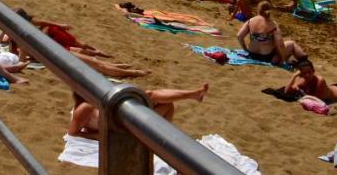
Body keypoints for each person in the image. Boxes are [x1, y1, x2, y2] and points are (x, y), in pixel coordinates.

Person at [12, 10, 148, 78]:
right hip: (57, 55)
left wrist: (27, 57)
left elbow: (22, 58)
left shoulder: (23, 36)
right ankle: (134, 72)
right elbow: (22, 59)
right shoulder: (23, 38)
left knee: (95, 62)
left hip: (56, 52)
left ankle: (124, 67)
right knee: (98, 65)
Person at [68, 85, 208, 138]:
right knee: (150, 95)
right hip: (123, 126)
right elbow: (73, 133)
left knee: (165, 104)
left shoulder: (92, 104)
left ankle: (193, 94)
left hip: (122, 120)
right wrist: (101, 136)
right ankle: (193, 94)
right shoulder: (84, 108)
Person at [236, 1, 306, 65]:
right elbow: (280, 44)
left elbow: (239, 36)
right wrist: (283, 59)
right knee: (291, 44)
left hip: (252, 54)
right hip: (267, 57)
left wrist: (245, 49)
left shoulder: (250, 21)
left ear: (258, 10)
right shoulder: (273, 25)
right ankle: (304, 61)